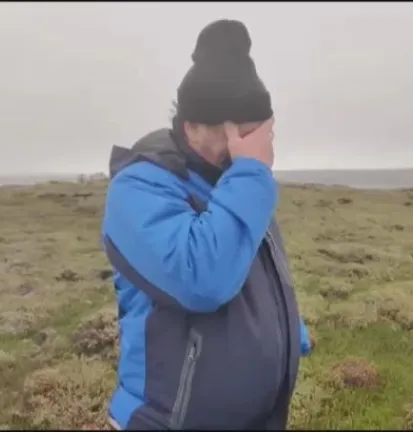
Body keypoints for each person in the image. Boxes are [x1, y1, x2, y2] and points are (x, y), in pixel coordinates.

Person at [101, 19, 312, 431]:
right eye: (242, 134)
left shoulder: (235, 182)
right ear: (191, 126)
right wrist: (251, 172)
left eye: (261, 135)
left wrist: (286, 332)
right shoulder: (138, 188)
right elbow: (202, 278)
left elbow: (255, 268)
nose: (255, 149)